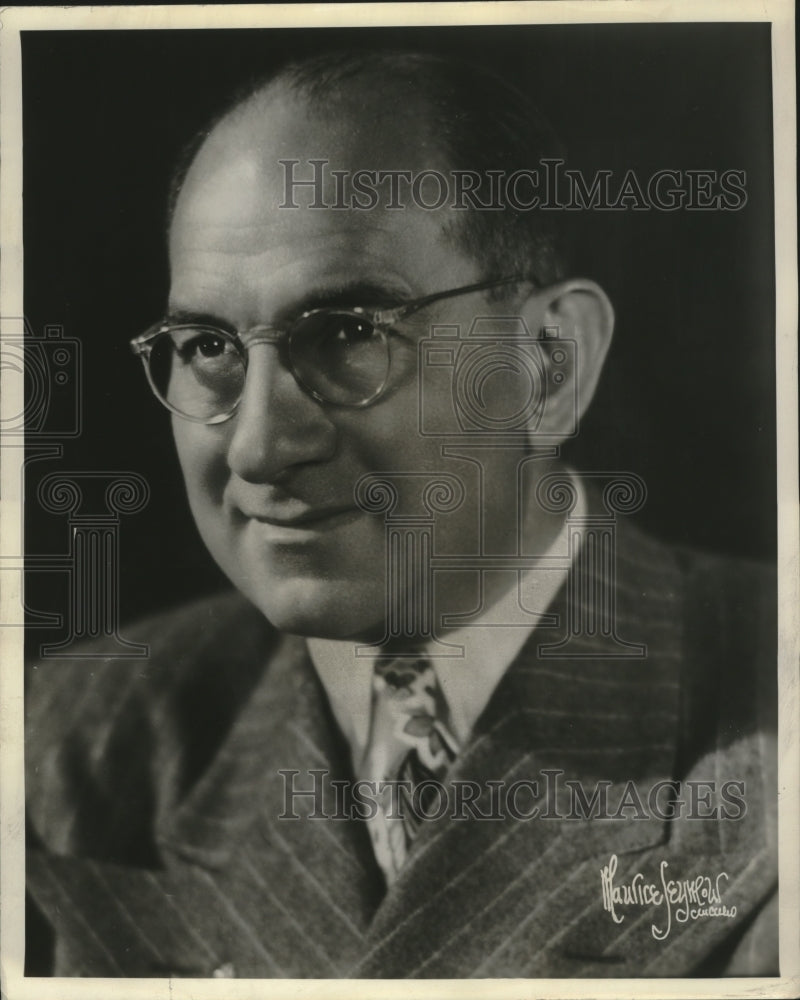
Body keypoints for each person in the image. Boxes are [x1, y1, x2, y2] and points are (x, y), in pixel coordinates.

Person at [25, 50, 777, 978]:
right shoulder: (70, 749)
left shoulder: (770, 725)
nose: (258, 445)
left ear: (550, 365)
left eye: (347, 334)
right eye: (209, 346)